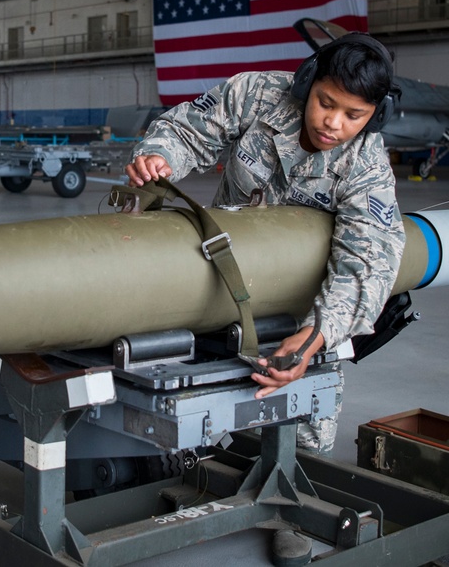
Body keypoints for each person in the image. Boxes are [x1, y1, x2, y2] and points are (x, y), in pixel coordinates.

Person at [125, 33, 405, 454]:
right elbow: (186, 130)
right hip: (217, 276)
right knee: (172, 410)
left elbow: (366, 263)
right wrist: (160, 157)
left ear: (375, 115)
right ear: (308, 81)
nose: (333, 123)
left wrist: (317, 335)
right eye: (326, 102)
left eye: (354, 114)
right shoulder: (258, 95)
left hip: (294, 308)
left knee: (306, 437)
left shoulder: (366, 166)